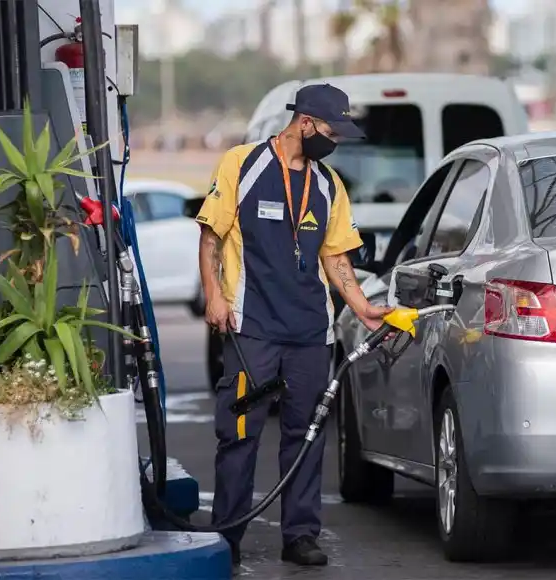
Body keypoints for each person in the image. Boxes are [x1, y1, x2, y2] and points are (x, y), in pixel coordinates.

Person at [195, 84, 393, 568]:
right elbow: (210, 236)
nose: (335, 141)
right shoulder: (242, 165)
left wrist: (362, 306)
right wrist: (216, 295)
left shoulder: (328, 184)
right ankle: (229, 535)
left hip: (309, 335)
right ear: (304, 123)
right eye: (330, 131)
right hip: (253, 331)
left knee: (305, 435)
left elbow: (337, 257)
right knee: (240, 431)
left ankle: (300, 535)